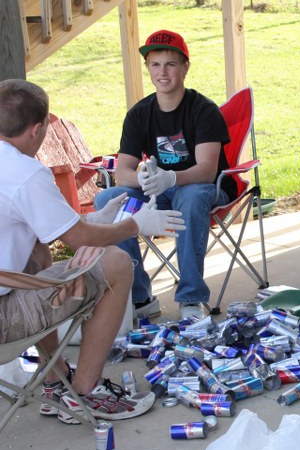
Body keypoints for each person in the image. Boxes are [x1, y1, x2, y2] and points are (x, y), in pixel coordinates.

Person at [0, 79, 186, 424]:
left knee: (36, 252)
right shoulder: (23, 172)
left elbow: (42, 229)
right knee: (115, 263)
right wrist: (136, 225)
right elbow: (80, 238)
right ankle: (84, 393)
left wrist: (87, 221)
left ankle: (56, 380)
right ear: (37, 129)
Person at [94, 29, 233, 321]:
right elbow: (122, 171)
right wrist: (142, 179)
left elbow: (207, 170)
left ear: (185, 67)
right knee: (109, 197)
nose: (162, 72)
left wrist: (171, 178)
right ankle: (140, 296)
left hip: (203, 187)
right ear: (148, 68)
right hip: (158, 191)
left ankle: (190, 298)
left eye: (170, 64)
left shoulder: (203, 110)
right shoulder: (139, 114)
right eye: (155, 65)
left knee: (191, 196)